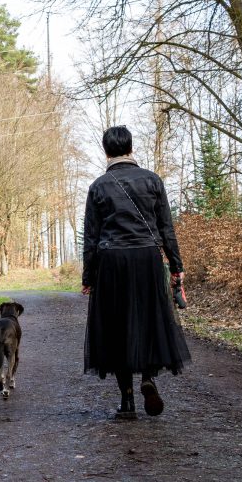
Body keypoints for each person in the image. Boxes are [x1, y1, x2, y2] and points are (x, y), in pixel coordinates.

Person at [82, 126, 191, 419]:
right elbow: (167, 228)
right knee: (150, 320)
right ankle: (148, 377)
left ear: (106, 152)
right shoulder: (153, 181)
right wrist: (176, 268)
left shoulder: (98, 186)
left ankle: (127, 400)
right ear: (131, 148)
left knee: (115, 328)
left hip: (111, 261)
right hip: (147, 259)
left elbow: (91, 237)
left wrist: (88, 277)